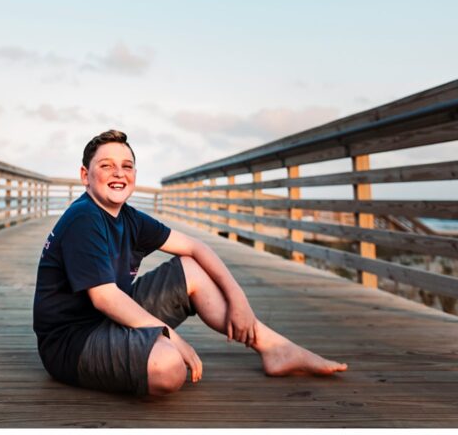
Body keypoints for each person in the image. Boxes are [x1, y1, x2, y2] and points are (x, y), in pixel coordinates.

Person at [33, 129, 347, 396]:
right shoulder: (84, 217)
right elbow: (104, 297)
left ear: (135, 176)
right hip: (71, 343)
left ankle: (276, 349)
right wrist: (170, 335)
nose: (118, 172)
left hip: (109, 321)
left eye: (127, 166)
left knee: (191, 268)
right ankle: (152, 351)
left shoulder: (129, 218)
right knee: (169, 368)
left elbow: (196, 247)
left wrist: (240, 300)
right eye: (107, 165)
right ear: (85, 176)